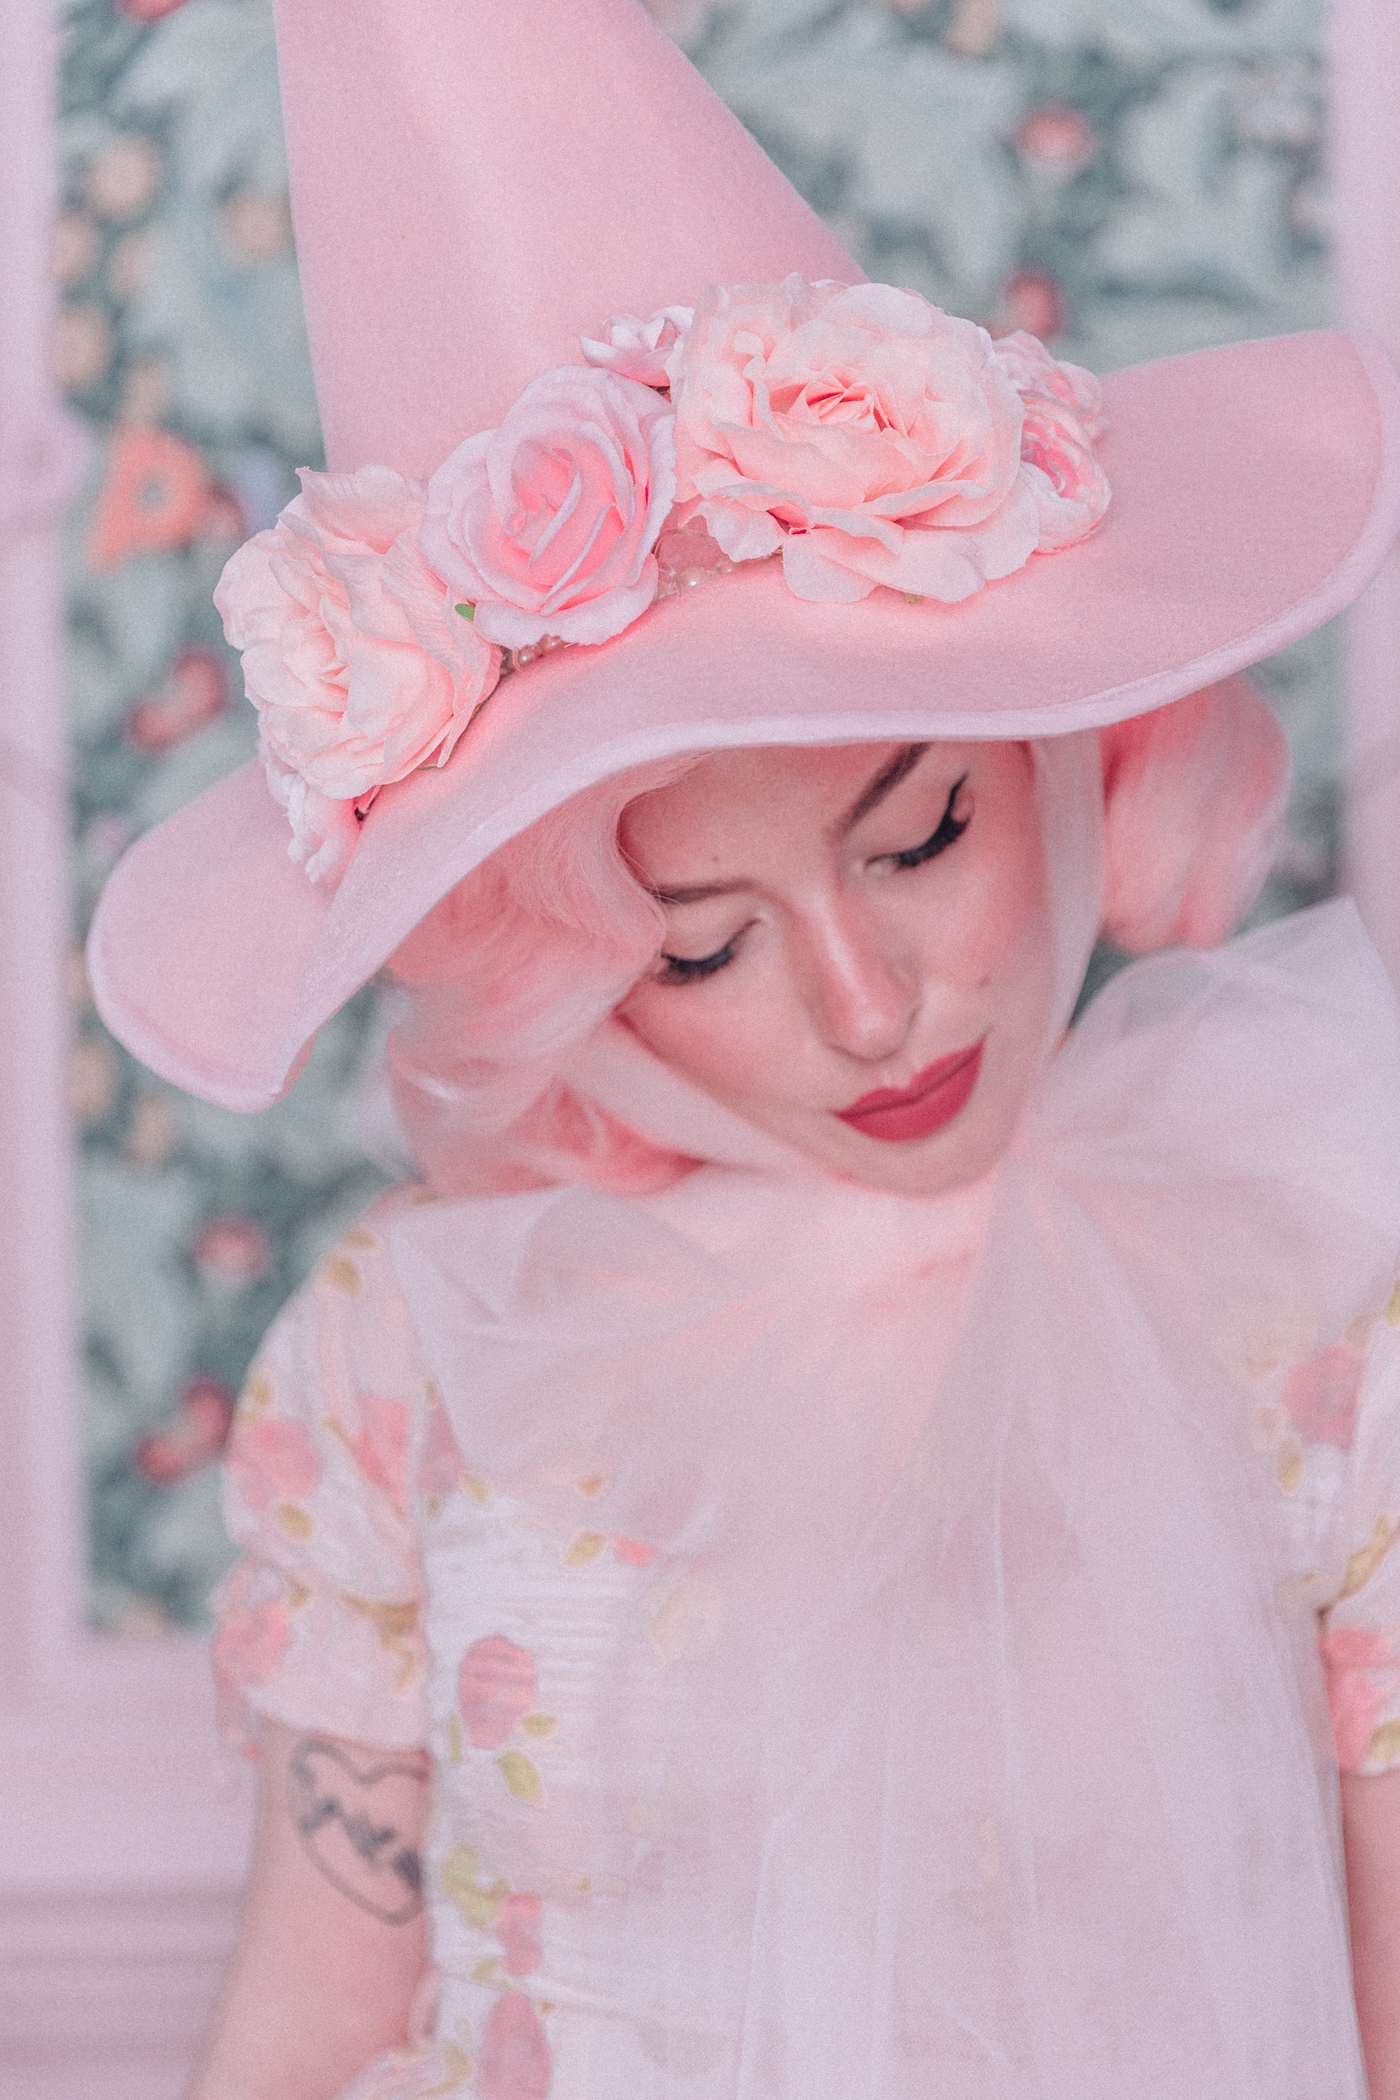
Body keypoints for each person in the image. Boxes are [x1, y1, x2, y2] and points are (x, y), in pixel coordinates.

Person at [86, 2, 1400, 2096]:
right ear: (546, 963)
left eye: (923, 835)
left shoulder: (1312, 1285)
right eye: (694, 948)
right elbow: (308, 2024)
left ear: (1071, 746)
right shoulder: (400, 1356)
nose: (869, 1009)